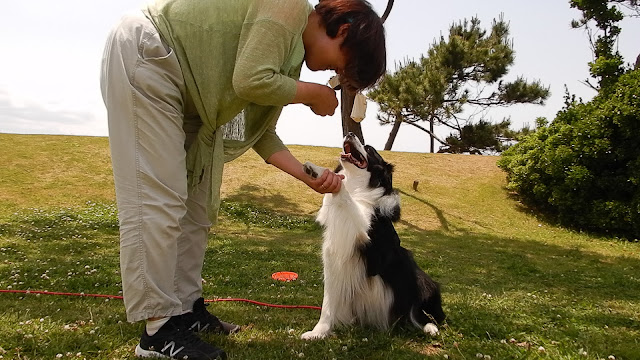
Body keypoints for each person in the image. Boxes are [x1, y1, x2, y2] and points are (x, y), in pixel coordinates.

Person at [100, 0, 386, 358]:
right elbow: (250, 79)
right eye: (346, 69)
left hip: (189, 94)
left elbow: (261, 132)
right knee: (159, 199)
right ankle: (157, 330)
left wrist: (307, 176)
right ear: (343, 30)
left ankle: (186, 310)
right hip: (151, 55)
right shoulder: (289, 7)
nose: (337, 77)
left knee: (196, 207)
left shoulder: (290, 56)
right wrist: (311, 94)